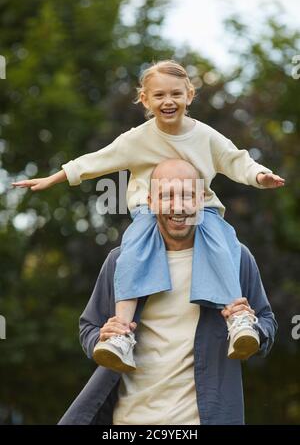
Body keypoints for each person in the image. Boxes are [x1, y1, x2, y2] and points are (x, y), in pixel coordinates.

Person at [12, 59, 284, 372]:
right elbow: (96, 161)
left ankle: (237, 318)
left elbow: (237, 160)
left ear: (189, 95)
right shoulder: (136, 139)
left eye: (176, 94)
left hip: (201, 204)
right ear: (145, 99)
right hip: (149, 207)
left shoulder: (206, 136)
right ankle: (122, 333)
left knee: (223, 240)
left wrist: (260, 175)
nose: (168, 101)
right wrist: (53, 178)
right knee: (134, 248)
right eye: (159, 95)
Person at [58, 159, 277, 425]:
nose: (178, 206)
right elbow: (88, 326)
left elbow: (267, 321)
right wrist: (102, 337)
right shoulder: (121, 261)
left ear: (201, 200)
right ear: (150, 201)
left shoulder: (235, 258)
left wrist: (252, 325)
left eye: (187, 195)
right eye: (167, 196)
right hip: (128, 422)